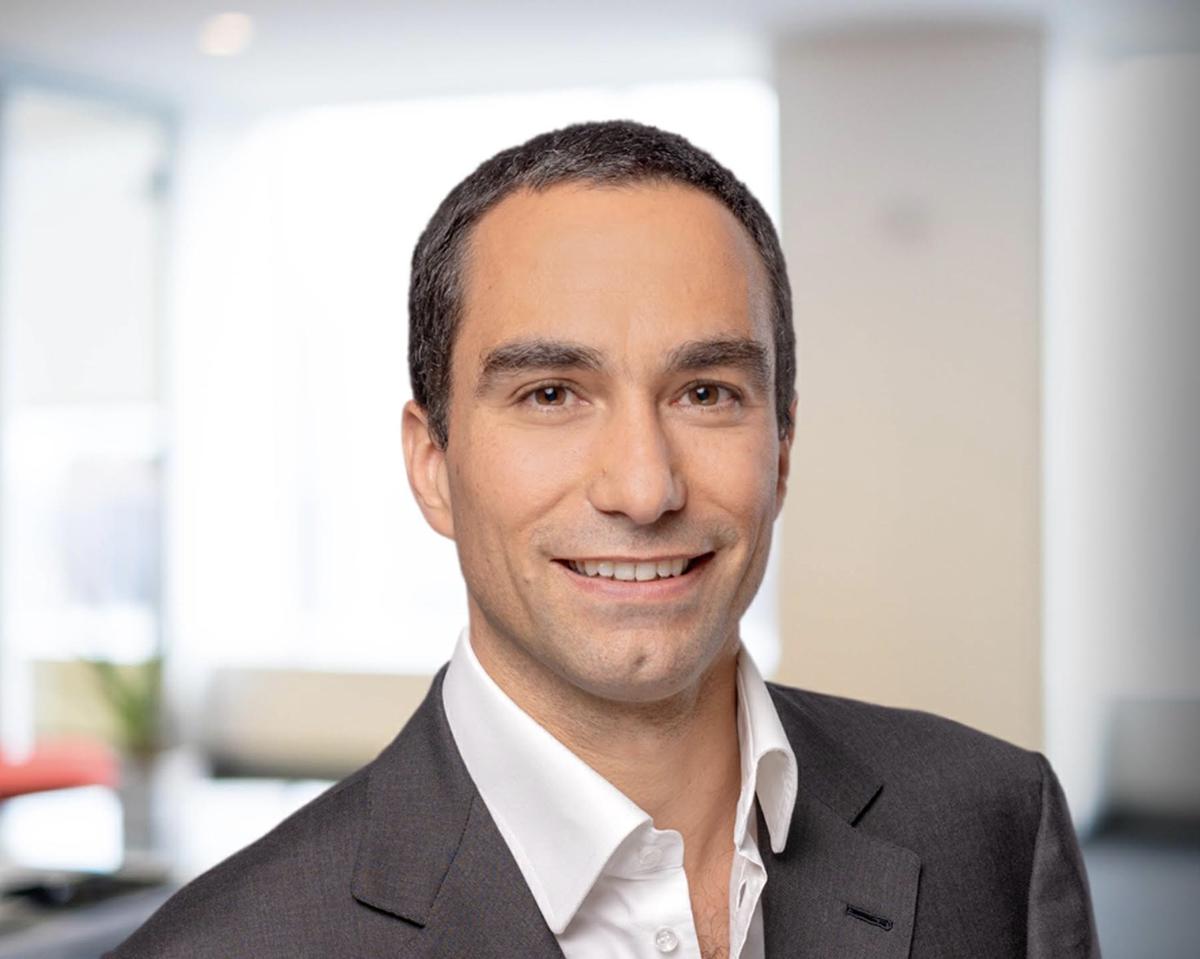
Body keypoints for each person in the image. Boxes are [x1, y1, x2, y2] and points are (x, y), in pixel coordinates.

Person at [109, 120, 1099, 958]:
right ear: (433, 463)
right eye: (551, 394)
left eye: (706, 392)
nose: (643, 486)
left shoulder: (994, 824)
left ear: (782, 446)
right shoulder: (228, 943)